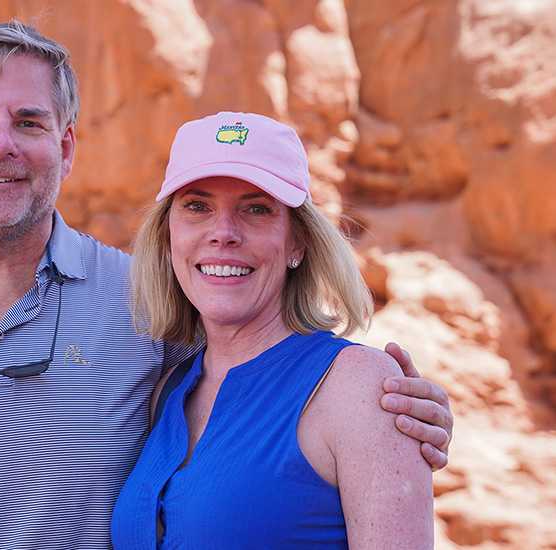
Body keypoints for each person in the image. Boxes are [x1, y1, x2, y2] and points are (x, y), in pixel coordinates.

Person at [0, 23, 450, 550]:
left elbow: (286, 392)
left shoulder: (145, 309)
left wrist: (398, 420)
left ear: (65, 147)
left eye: (29, 122)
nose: (0, 143)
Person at [111, 111, 436, 549]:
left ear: (296, 242)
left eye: (256, 209)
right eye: (197, 206)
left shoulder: (361, 387)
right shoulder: (169, 389)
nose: (222, 233)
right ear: (169, 236)